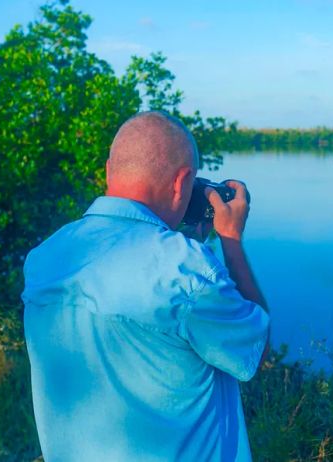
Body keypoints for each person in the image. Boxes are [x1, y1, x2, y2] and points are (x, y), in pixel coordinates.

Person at [22, 111, 270, 461]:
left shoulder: (45, 257)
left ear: (110, 170)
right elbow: (255, 350)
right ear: (181, 183)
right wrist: (231, 241)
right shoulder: (186, 270)